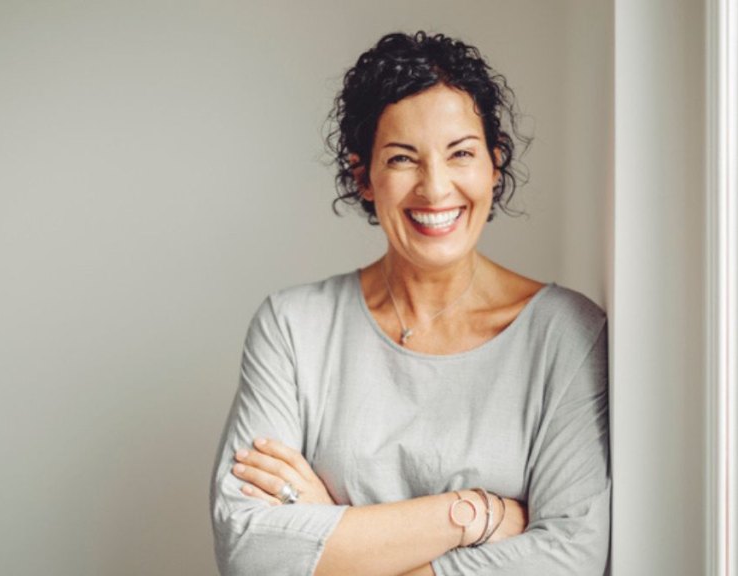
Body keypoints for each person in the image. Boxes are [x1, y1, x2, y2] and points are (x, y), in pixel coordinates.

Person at [210, 31, 610, 576]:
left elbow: (571, 558)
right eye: (403, 159)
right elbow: (251, 552)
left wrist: (335, 532)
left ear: (495, 165)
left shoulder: (567, 334)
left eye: (461, 154)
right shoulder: (293, 327)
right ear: (363, 177)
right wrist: (474, 515)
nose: (436, 188)